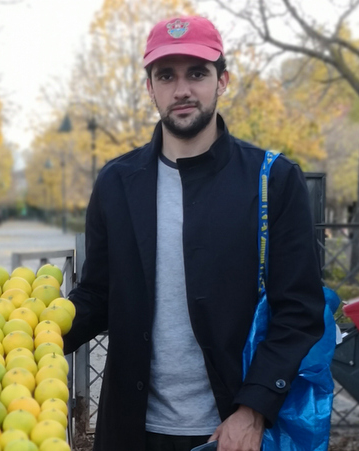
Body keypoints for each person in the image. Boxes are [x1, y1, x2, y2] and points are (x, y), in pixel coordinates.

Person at [63, 15, 326, 451]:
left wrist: (253, 409)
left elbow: (300, 310)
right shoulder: (117, 182)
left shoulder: (272, 179)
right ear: (150, 87)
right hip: (132, 430)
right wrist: (30, 332)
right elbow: (98, 296)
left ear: (222, 80)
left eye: (197, 73)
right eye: (166, 75)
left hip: (231, 432)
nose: (181, 89)